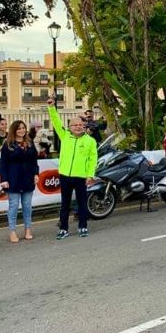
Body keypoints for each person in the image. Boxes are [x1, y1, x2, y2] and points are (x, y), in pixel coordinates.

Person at [47, 94, 98, 239]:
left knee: (82, 203)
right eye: (75, 125)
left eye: (81, 125)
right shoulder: (64, 136)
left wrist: (90, 175)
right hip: (65, 175)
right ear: (70, 127)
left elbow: (92, 159)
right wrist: (51, 107)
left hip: (81, 177)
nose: (78, 127)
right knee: (65, 204)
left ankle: (83, 227)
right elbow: (56, 122)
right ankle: (63, 228)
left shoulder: (90, 141)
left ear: (85, 127)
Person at [0, 120, 39, 243]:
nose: (21, 130)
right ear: (14, 130)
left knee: (27, 206)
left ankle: (28, 229)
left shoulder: (30, 143)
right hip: (13, 179)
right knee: (14, 206)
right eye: (18, 128)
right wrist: (4, 179)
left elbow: (34, 161)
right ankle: (12, 231)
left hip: (27, 179)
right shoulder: (7, 144)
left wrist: (36, 173)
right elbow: (3, 164)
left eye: (23, 128)